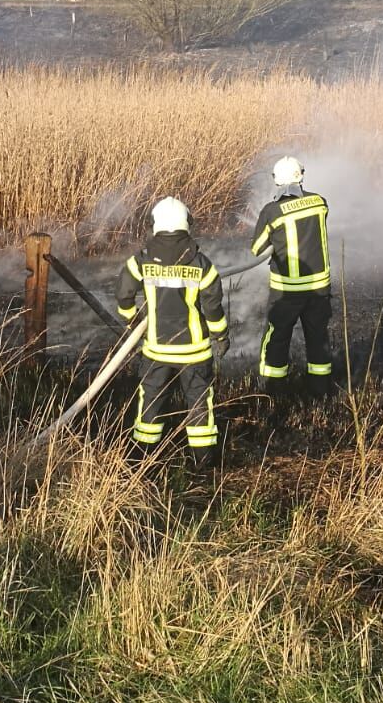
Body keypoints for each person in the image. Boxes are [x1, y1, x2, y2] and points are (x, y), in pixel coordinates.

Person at [115, 196, 229, 469]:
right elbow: (213, 309)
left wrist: (133, 322)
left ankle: (142, 460)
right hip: (195, 351)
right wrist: (221, 337)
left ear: (156, 225)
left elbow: (123, 296)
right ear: (185, 224)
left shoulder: (139, 261)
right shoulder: (202, 263)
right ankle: (203, 464)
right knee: (200, 403)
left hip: (156, 350)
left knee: (151, 402)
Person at [250, 156, 333, 399]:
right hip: (319, 288)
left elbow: (256, 248)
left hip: (287, 291)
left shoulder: (271, 211)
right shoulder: (320, 202)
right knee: (318, 337)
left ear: (276, 180)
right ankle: (320, 391)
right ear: (301, 176)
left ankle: (273, 393)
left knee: (277, 338)